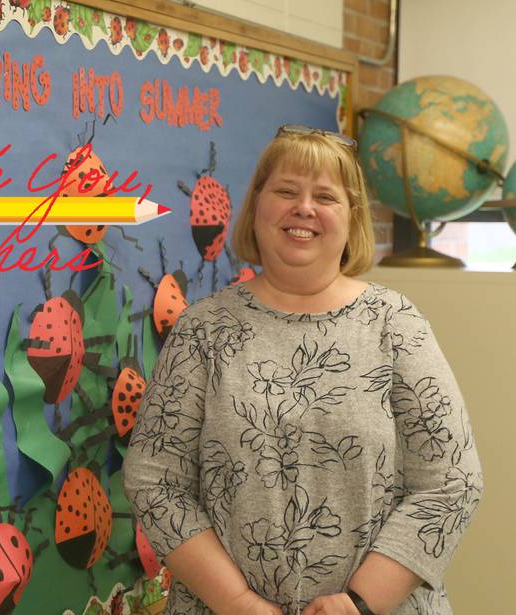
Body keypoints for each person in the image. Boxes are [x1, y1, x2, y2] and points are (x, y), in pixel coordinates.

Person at [122, 125, 483, 615]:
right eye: (286, 191)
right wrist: (237, 602)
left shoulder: (396, 325)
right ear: (257, 207)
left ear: (352, 218)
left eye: (326, 197)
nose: (304, 208)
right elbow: (154, 479)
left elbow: (451, 481)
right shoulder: (202, 330)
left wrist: (359, 602)